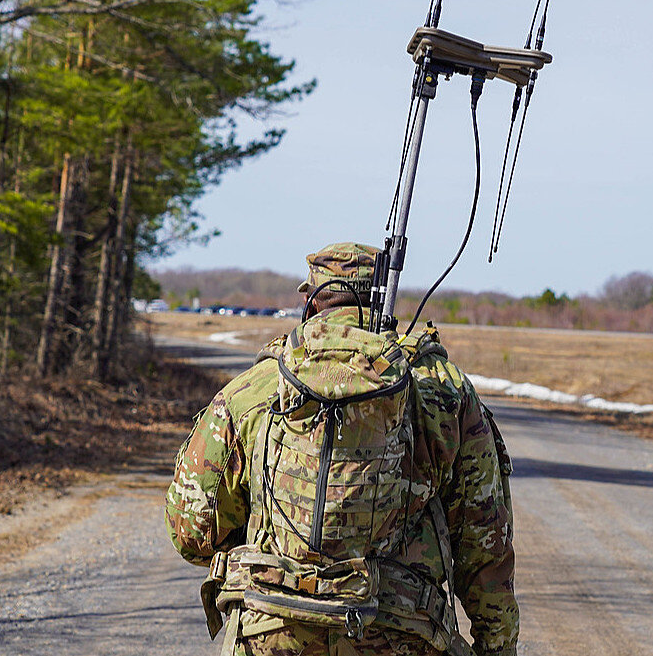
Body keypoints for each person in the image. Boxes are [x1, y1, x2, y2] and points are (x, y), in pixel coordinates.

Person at [166, 242, 517, 656]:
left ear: (310, 302)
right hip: (398, 635)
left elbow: (191, 531)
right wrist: (498, 647)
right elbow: (485, 544)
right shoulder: (443, 391)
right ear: (383, 299)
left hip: (272, 632)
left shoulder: (256, 387)